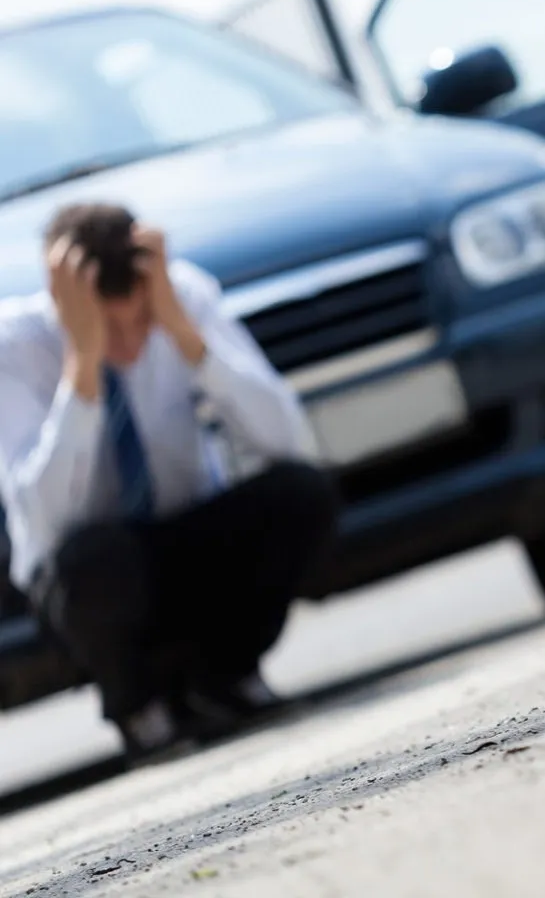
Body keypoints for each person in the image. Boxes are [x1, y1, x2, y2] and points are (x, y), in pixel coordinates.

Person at [0, 202, 339, 762]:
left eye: (139, 324)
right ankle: (140, 708)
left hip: (185, 541)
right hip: (86, 577)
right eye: (110, 326)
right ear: (65, 302)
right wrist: (82, 366)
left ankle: (224, 677)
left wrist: (184, 333)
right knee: (96, 558)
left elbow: (289, 441)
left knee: (301, 495)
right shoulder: (15, 346)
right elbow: (46, 519)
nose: (130, 347)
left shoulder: (179, 295)